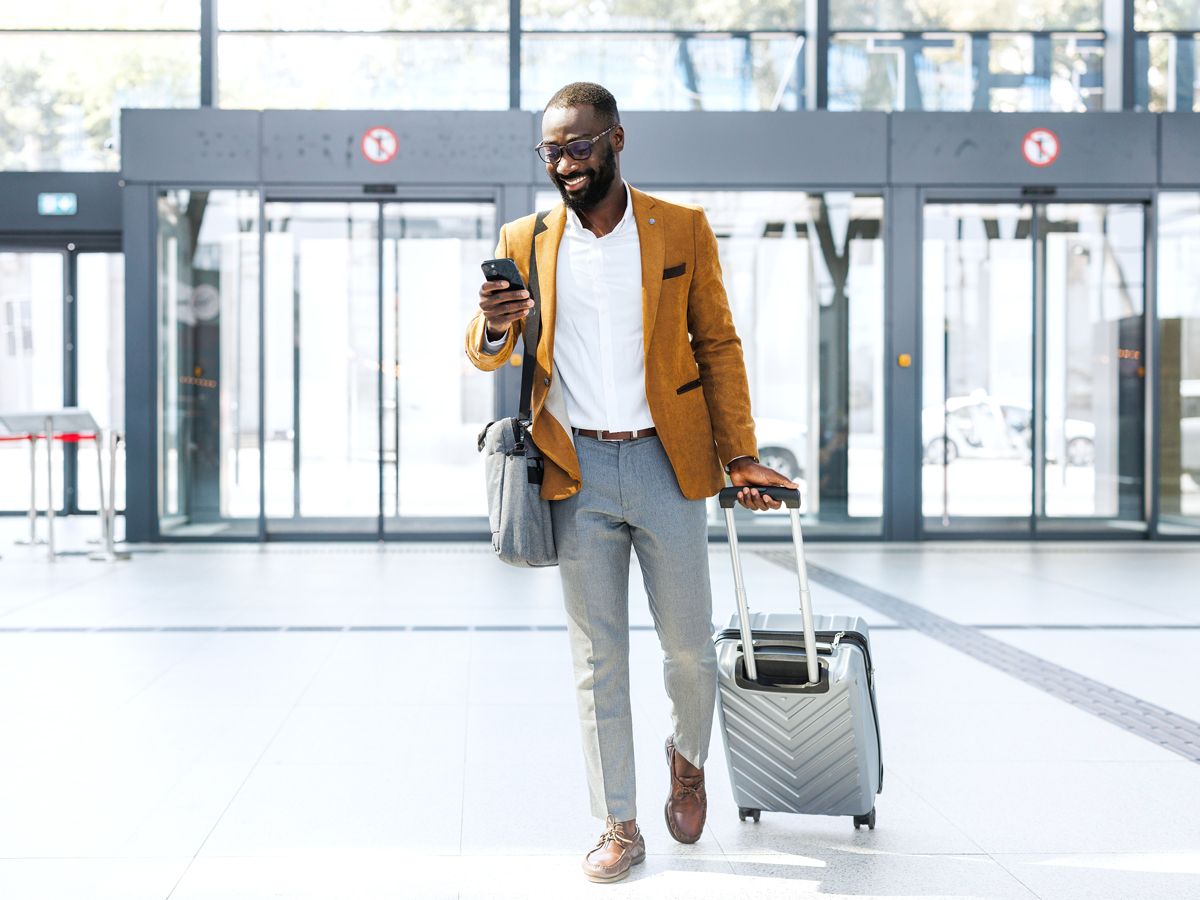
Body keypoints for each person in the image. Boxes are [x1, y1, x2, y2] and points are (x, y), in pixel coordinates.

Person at [464, 82, 796, 884]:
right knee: (596, 657)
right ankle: (618, 822)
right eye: (551, 152)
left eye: (578, 147)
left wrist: (739, 451)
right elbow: (484, 350)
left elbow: (717, 345)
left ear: (616, 139)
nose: (565, 165)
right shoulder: (527, 236)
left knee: (687, 647)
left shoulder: (679, 229)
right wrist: (498, 321)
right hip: (574, 467)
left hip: (666, 462)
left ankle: (687, 760)